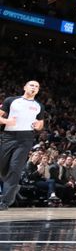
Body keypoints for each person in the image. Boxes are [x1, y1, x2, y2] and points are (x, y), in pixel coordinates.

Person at [0, 80, 45, 210]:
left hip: (26, 139)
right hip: (8, 137)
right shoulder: (11, 101)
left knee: (15, 168)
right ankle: (13, 186)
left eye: (37, 86)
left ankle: (5, 202)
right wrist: (6, 121)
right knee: (3, 168)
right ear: (25, 87)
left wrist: (38, 126)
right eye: (32, 85)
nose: (34, 87)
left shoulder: (39, 106)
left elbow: (41, 124)